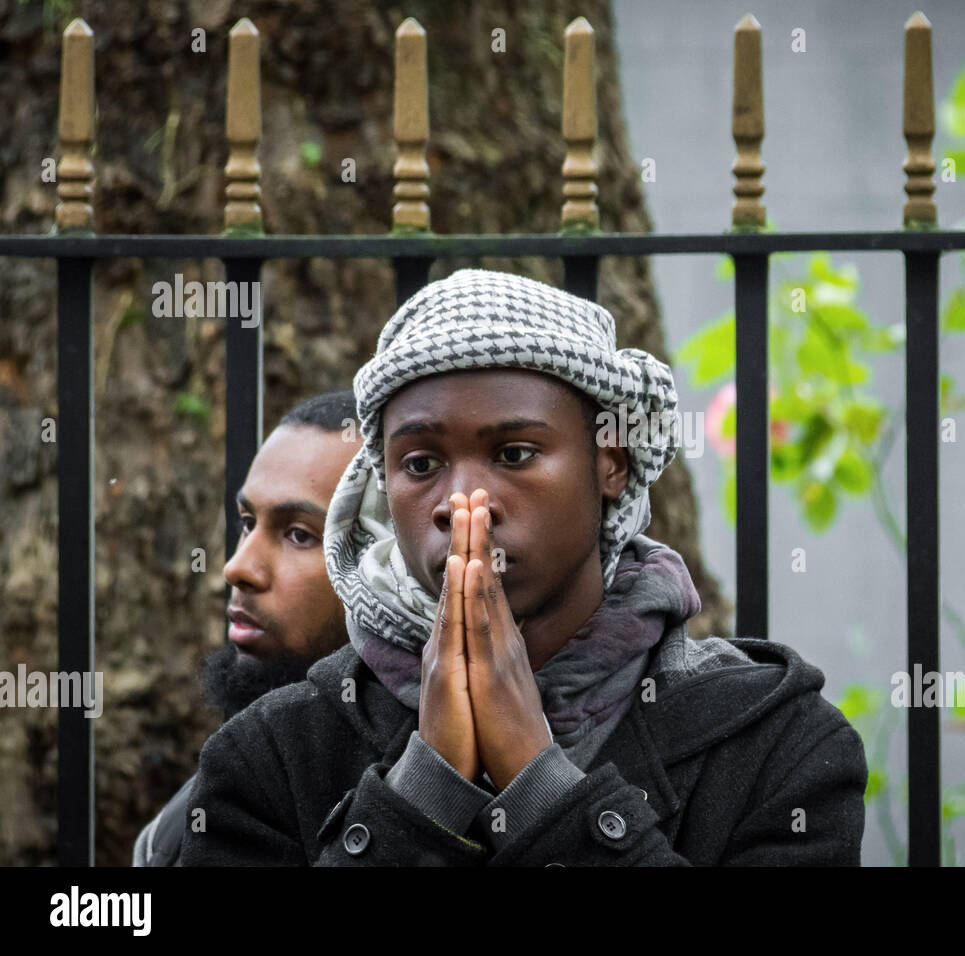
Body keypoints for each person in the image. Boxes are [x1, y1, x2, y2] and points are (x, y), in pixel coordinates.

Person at [180, 269, 867, 866]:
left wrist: (541, 787)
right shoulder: (271, 756)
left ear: (611, 463)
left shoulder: (778, 749)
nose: (461, 501)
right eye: (420, 465)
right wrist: (424, 790)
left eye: (513, 454)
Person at [132, 390, 362, 866]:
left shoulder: (457, 789)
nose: (237, 568)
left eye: (299, 534)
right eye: (246, 522)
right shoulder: (172, 830)